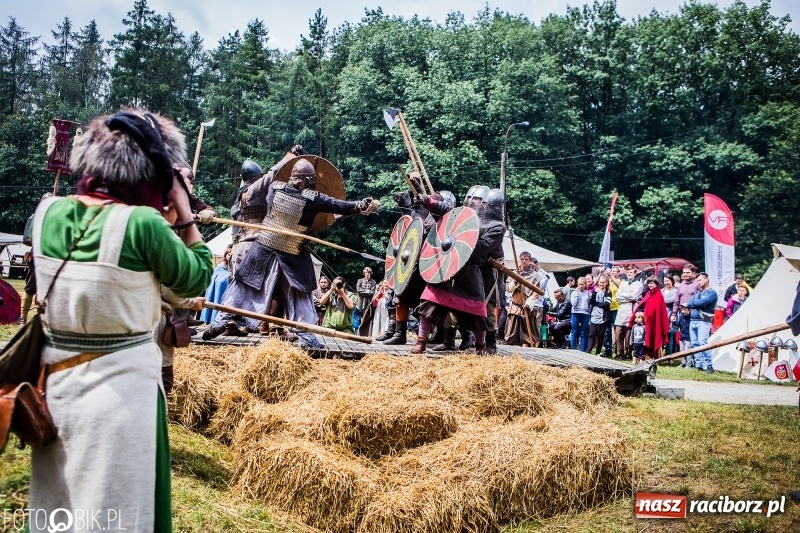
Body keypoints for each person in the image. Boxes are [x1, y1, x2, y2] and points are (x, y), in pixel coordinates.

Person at [29, 108, 212, 532]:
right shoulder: (144, 223)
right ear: (153, 171)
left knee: (58, 507)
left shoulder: (47, 213)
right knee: (126, 511)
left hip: (54, 388)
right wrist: (184, 211)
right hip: (122, 398)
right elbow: (197, 276)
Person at [206, 158, 377, 347]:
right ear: (306, 180)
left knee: (242, 286)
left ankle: (220, 320)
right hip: (291, 254)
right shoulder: (313, 198)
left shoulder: (274, 188)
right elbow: (341, 206)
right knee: (299, 295)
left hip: (263, 247)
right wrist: (362, 205)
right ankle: (308, 338)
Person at [412, 188, 505, 354]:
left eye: (483, 202)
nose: (479, 204)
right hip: (449, 264)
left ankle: (482, 347)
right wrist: (428, 202)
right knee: (428, 302)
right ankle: (421, 342)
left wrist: (459, 241)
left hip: (471, 270)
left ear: (494, 207)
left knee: (478, 311)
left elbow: (480, 248)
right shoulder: (468, 214)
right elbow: (447, 211)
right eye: (479, 201)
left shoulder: (497, 227)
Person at [682, 272, 718, 373]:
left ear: (706, 279)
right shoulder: (698, 293)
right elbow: (688, 303)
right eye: (697, 280)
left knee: (703, 343)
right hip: (693, 320)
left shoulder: (712, 293)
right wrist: (693, 304)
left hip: (703, 321)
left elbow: (700, 302)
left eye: (700, 280)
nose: (699, 282)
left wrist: (692, 304)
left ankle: (709, 366)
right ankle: (698, 365)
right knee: (694, 344)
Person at [630, 276, 670, 360]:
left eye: (651, 283)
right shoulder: (648, 293)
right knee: (645, 338)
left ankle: (656, 357)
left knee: (655, 337)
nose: (649, 285)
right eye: (648, 283)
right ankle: (644, 356)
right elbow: (642, 304)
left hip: (654, 322)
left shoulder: (659, 295)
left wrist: (650, 316)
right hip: (647, 320)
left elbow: (659, 311)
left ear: (656, 284)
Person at [614, 265, 643, 359]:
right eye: (628, 272)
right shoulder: (623, 283)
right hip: (621, 310)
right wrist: (628, 296)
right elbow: (617, 297)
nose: (629, 274)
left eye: (631, 272)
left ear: (635, 274)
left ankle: (628, 353)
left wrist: (624, 295)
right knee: (618, 333)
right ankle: (619, 353)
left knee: (628, 335)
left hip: (630, 310)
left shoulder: (638, 284)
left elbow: (634, 296)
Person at [200, 245, 232, 324]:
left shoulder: (234, 265)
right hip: (221, 290)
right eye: (228, 254)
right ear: (225, 255)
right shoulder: (221, 266)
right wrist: (228, 276)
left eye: (232, 254)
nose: (230, 256)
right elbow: (218, 278)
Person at [587, 276, 612, 355]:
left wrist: (597, 304)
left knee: (601, 335)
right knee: (592, 333)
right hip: (594, 315)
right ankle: (588, 350)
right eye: (600, 282)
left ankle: (598, 352)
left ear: (606, 283)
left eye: (603, 282)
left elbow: (607, 304)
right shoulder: (595, 291)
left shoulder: (608, 292)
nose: (601, 284)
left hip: (603, 316)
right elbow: (591, 302)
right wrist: (595, 293)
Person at [570, 277, 591, 351]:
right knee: (574, 331)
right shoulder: (574, 292)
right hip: (575, 312)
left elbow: (589, 304)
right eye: (579, 284)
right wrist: (576, 294)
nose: (581, 286)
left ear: (585, 284)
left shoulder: (588, 293)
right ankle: (573, 348)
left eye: (582, 284)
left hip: (585, 313)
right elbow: (573, 303)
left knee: (583, 332)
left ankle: (582, 349)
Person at [356, 266, 377, 336]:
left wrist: (364, 292)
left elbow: (372, 292)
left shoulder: (373, 282)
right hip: (360, 300)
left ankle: (365, 332)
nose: (367, 274)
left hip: (368, 301)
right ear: (364, 273)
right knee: (358, 314)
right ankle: (357, 331)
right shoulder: (360, 281)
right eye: (366, 272)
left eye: (368, 273)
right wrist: (367, 292)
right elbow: (358, 290)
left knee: (367, 315)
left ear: (370, 273)